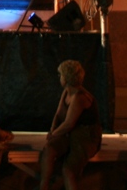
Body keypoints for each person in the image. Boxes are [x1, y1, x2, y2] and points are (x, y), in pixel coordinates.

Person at [39, 60, 102, 190]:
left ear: (67, 77)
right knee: (49, 149)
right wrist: (52, 131)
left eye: (61, 75)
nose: (59, 77)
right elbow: (58, 115)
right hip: (71, 134)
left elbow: (68, 123)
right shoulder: (67, 92)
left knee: (68, 170)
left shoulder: (80, 97)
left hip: (85, 137)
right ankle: (43, 186)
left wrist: (54, 134)